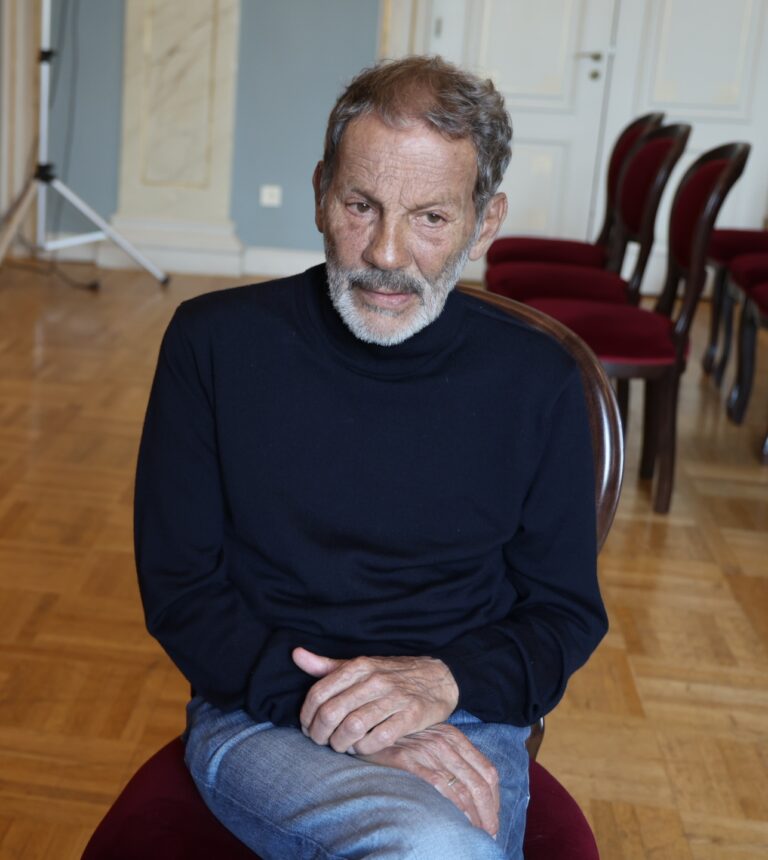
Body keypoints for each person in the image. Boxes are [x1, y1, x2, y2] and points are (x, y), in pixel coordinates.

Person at [135, 55, 608, 859]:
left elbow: (565, 616)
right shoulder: (212, 344)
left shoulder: (539, 379)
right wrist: (349, 720)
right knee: (435, 847)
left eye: (431, 218)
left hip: (459, 715)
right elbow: (181, 592)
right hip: (264, 712)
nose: (387, 254)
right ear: (322, 192)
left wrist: (440, 684)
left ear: (484, 222)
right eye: (362, 205)